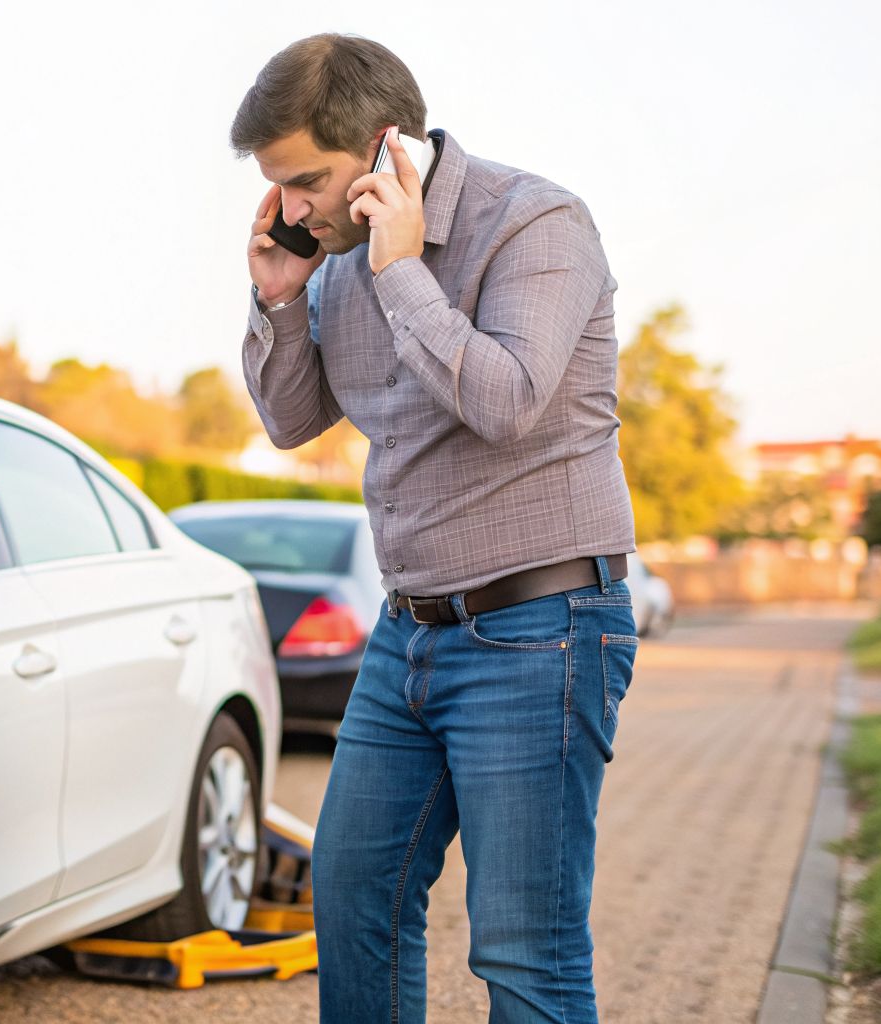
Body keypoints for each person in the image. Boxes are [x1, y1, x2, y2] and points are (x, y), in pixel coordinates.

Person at [231, 33, 639, 1024]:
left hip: (538, 631)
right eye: (275, 188)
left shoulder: (534, 225)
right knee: (354, 893)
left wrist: (401, 268)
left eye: (304, 183)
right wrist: (278, 303)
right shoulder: (326, 263)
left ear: (381, 152)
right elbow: (289, 422)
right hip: (405, 635)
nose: (290, 210)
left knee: (520, 947)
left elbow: (507, 402)